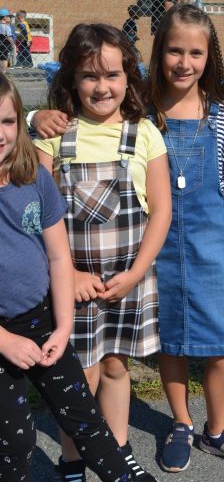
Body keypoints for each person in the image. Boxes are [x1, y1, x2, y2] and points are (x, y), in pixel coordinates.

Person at [34, 23, 171, 480]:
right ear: (71, 78)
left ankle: (118, 451)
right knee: (81, 380)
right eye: (90, 76)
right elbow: (33, 217)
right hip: (71, 287)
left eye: (112, 75)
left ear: (129, 78)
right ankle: (73, 459)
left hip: (127, 281)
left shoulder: (144, 133)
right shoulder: (53, 137)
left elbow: (161, 213)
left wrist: (136, 273)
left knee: (115, 368)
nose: (102, 86)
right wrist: (68, 274)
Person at [0, 73, 150, 482]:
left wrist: (63, 326)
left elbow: (58, 255)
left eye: (8, 122)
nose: (0, 134)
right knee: (14, 440)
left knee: (87, 419)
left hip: (42, 320)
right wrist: (5, 340)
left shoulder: (33, 179)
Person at [144, 3, 224, 472]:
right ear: (159, 52)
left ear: (208, 57)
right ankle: (180, 422)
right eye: (175, 50)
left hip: (212, 255)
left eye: (195, 52)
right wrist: (39, 122)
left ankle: (217, 430)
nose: (184, 62)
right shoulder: (140, 115)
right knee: (169, 342)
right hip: (156, 255)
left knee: (223, 343)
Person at [0, 8, 15, 74]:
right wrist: (13, 44)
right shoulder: (6, 27)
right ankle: (3, 72)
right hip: (5, 45)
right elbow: (9, 37)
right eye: (9, 16)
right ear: (5, 18)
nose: (10, 18)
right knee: (5, 59)